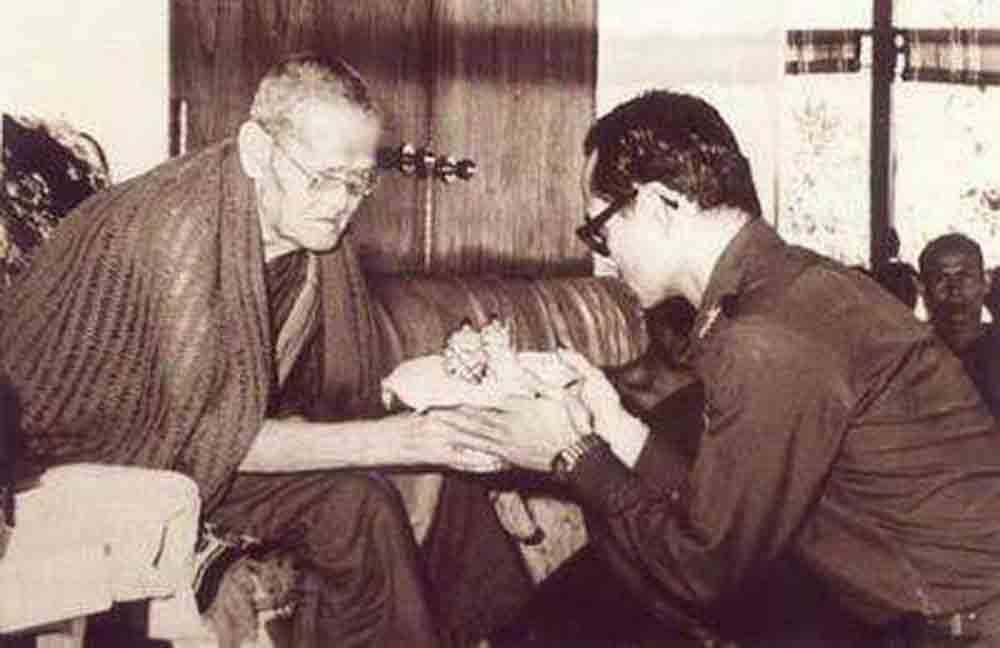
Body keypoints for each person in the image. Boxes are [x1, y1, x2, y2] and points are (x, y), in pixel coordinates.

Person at [439, 90, 1000, 646]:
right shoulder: (782, 291)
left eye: (599, 229)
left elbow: (703, 569)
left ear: (658, 204)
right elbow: (726, 512)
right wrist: (613, 423)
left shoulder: (765, 335)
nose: (605, 254)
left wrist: (572, 455)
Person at [0, 53, 504, 647]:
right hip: (59, 468)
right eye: (321, 177)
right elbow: (205, 436)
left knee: (410, 487)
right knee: (375, 487)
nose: (340, 202)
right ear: (257, 150)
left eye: (358, 181)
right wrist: (399, 439)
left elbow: (322, 393)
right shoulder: (176, 231)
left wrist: (424, 385)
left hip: (188, 449)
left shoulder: (306, 231)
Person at [918, 233, 1000, 419]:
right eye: (941, 278)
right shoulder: (908, 355)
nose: (954, 289)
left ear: (986, 282)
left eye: (965, 276)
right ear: (922, 289)